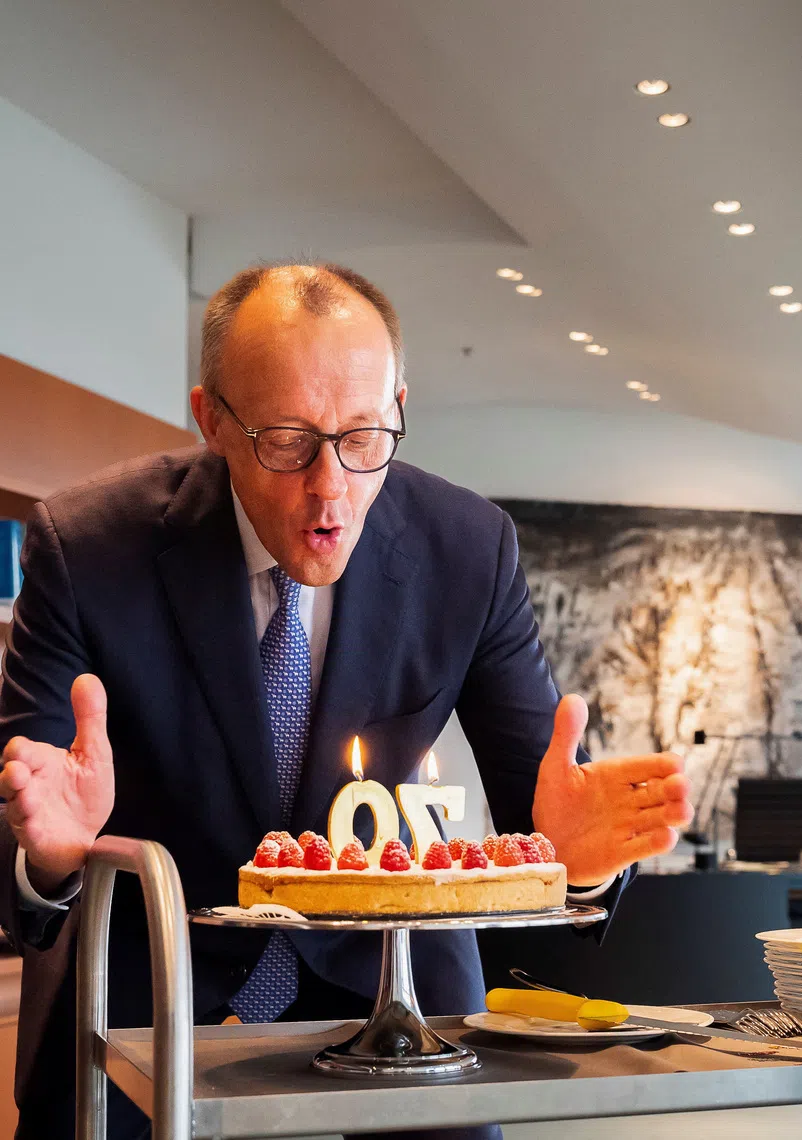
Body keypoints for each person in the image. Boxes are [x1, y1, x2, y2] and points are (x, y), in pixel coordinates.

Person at [0, 263, 693, 1139]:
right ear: (211, 417)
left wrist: (575, 857)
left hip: (407, 1005)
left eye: (365, 436)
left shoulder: (470, 549)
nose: (330, 486)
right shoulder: (88, 546)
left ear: (399, 405)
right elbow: (18, 843)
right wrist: (49, 857)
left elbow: (541, 806)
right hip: (147, 1000)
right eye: (287, 441)